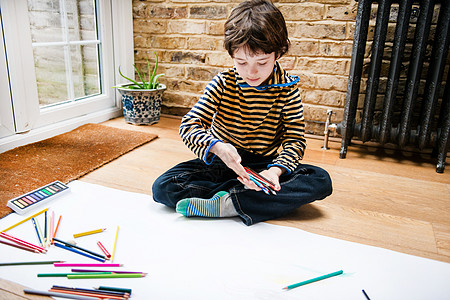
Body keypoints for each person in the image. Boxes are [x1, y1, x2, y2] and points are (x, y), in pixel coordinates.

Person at [152, 0, 332, 226]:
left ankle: (228, 203)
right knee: (163, 187)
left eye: (262, 62)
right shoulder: (223, 83)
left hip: (264, 167)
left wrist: (275, 172)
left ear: (279, 52)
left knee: (320, 180)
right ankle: (245, 198)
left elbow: (294, 141)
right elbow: (189, 125)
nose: (252, 72)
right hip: (223, 163)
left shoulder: (287, 89)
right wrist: (218, 147)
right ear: (232, 56)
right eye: (241, 62)